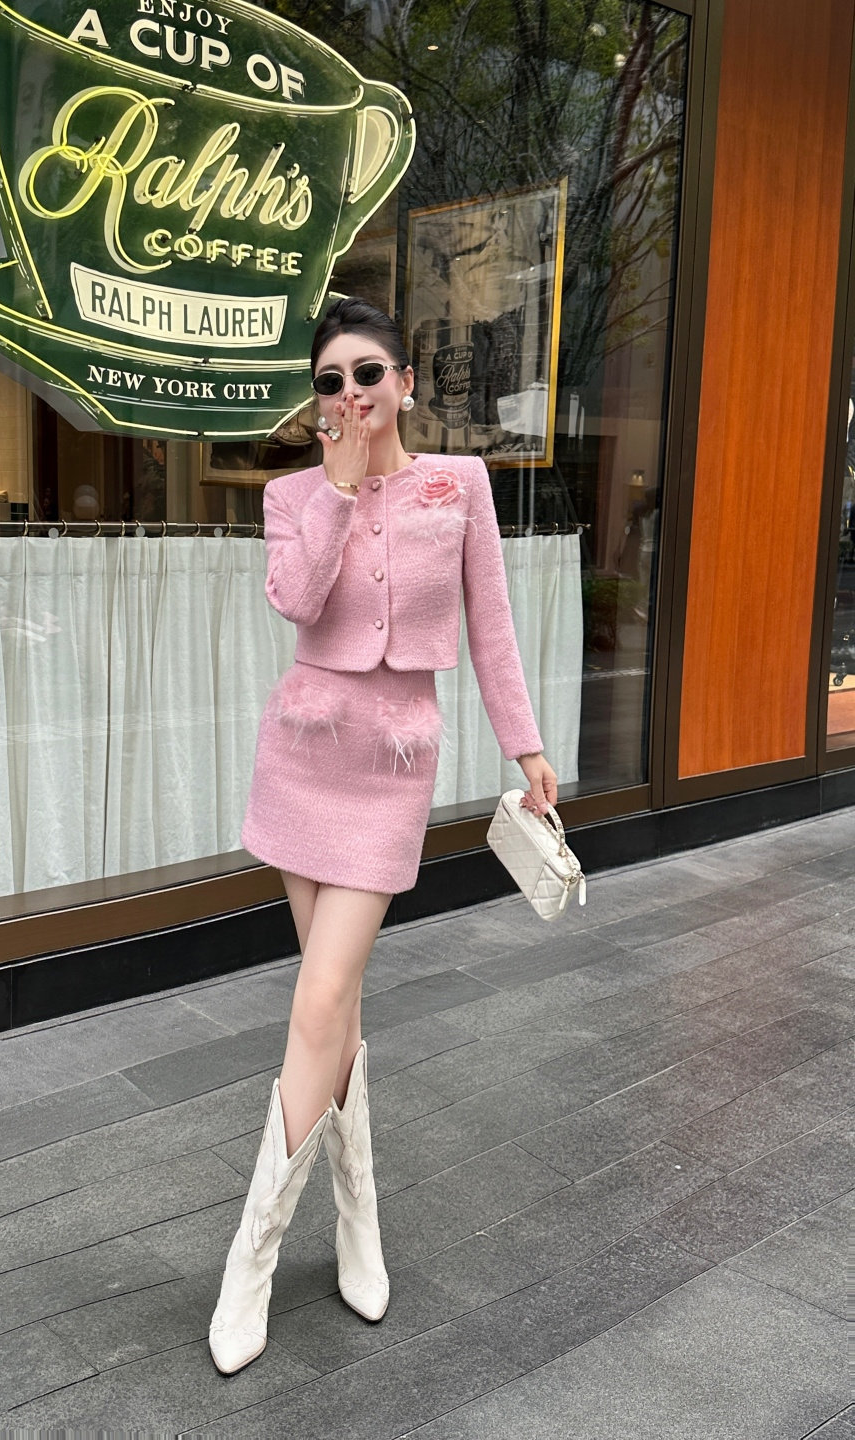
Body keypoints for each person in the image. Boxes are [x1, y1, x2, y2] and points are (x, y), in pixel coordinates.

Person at [208, 297, 559, 1374]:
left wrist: (525, 748)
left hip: (393, 764)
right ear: (318, 400)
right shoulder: (289, 495)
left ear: (405, 382)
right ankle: (358, 1219)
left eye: (369, 373)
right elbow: (297, 599)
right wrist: (341, 488)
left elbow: (492, 626)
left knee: (320, 1002)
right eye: (332, 380)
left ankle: (251, 1258)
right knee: (338, 1010)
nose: (352, 393)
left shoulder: (463, 485)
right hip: (304, 753)